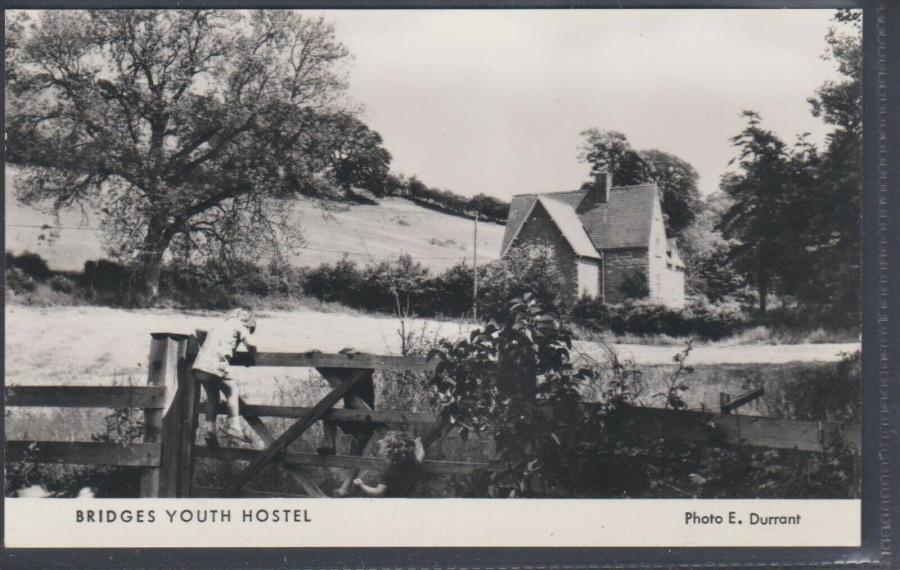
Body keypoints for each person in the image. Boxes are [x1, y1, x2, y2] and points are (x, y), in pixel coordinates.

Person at [192, 309, 257, 446]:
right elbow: (251, 344)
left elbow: (198, 330)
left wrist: (205, 345)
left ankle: (210, 431)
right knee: (232, 391)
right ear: (246, 321)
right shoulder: (240, 326)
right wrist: (252, 353)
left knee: (212, 398)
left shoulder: (218, 325)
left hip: (200, 365)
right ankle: (234, 427)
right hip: (216, 366)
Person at [352, 432, 425, 498]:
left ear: (389, 454)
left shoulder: (388, 473)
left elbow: (378, 492)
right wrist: (420, 446)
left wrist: (361, 485)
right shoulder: (413, 464)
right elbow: (421, 455)